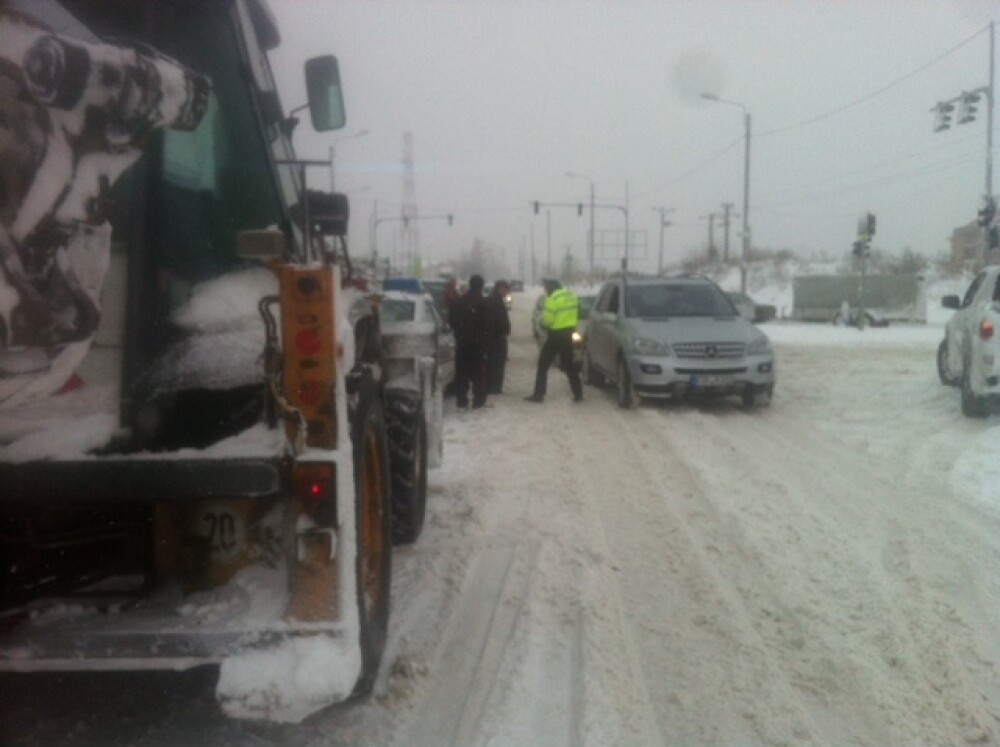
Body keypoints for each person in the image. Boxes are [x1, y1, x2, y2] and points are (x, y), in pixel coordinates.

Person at [526, 279, 583, 403]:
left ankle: (539, 394)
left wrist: (543, 324)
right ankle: (578, 393)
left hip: (556, 335)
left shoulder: (553, 299)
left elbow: (547, 320)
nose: (545, 291)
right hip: (569, 334)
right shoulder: (571, 296)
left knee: (543, 364)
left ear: (551, 288)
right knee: (569, 365)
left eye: (546, 288)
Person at [449, 274, 490, 409]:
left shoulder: (459, 302)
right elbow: (488, 324)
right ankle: (478, 399)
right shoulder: (483, 303)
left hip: (462, 343)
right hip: (478, 344)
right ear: (481, 286)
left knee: (462, 372)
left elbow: (452, 321)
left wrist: (460, 333)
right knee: (478, 372)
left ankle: (462, 399)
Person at [486, 280, 511, 394]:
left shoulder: (497, 299)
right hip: (495, 337)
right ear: (499, 288)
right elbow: (492, 320)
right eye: (506, 289)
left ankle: (495, 386)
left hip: (498, 336)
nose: (507, 292)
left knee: (498, 362)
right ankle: (493, 387)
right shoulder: (493, 300)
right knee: (495, 362)